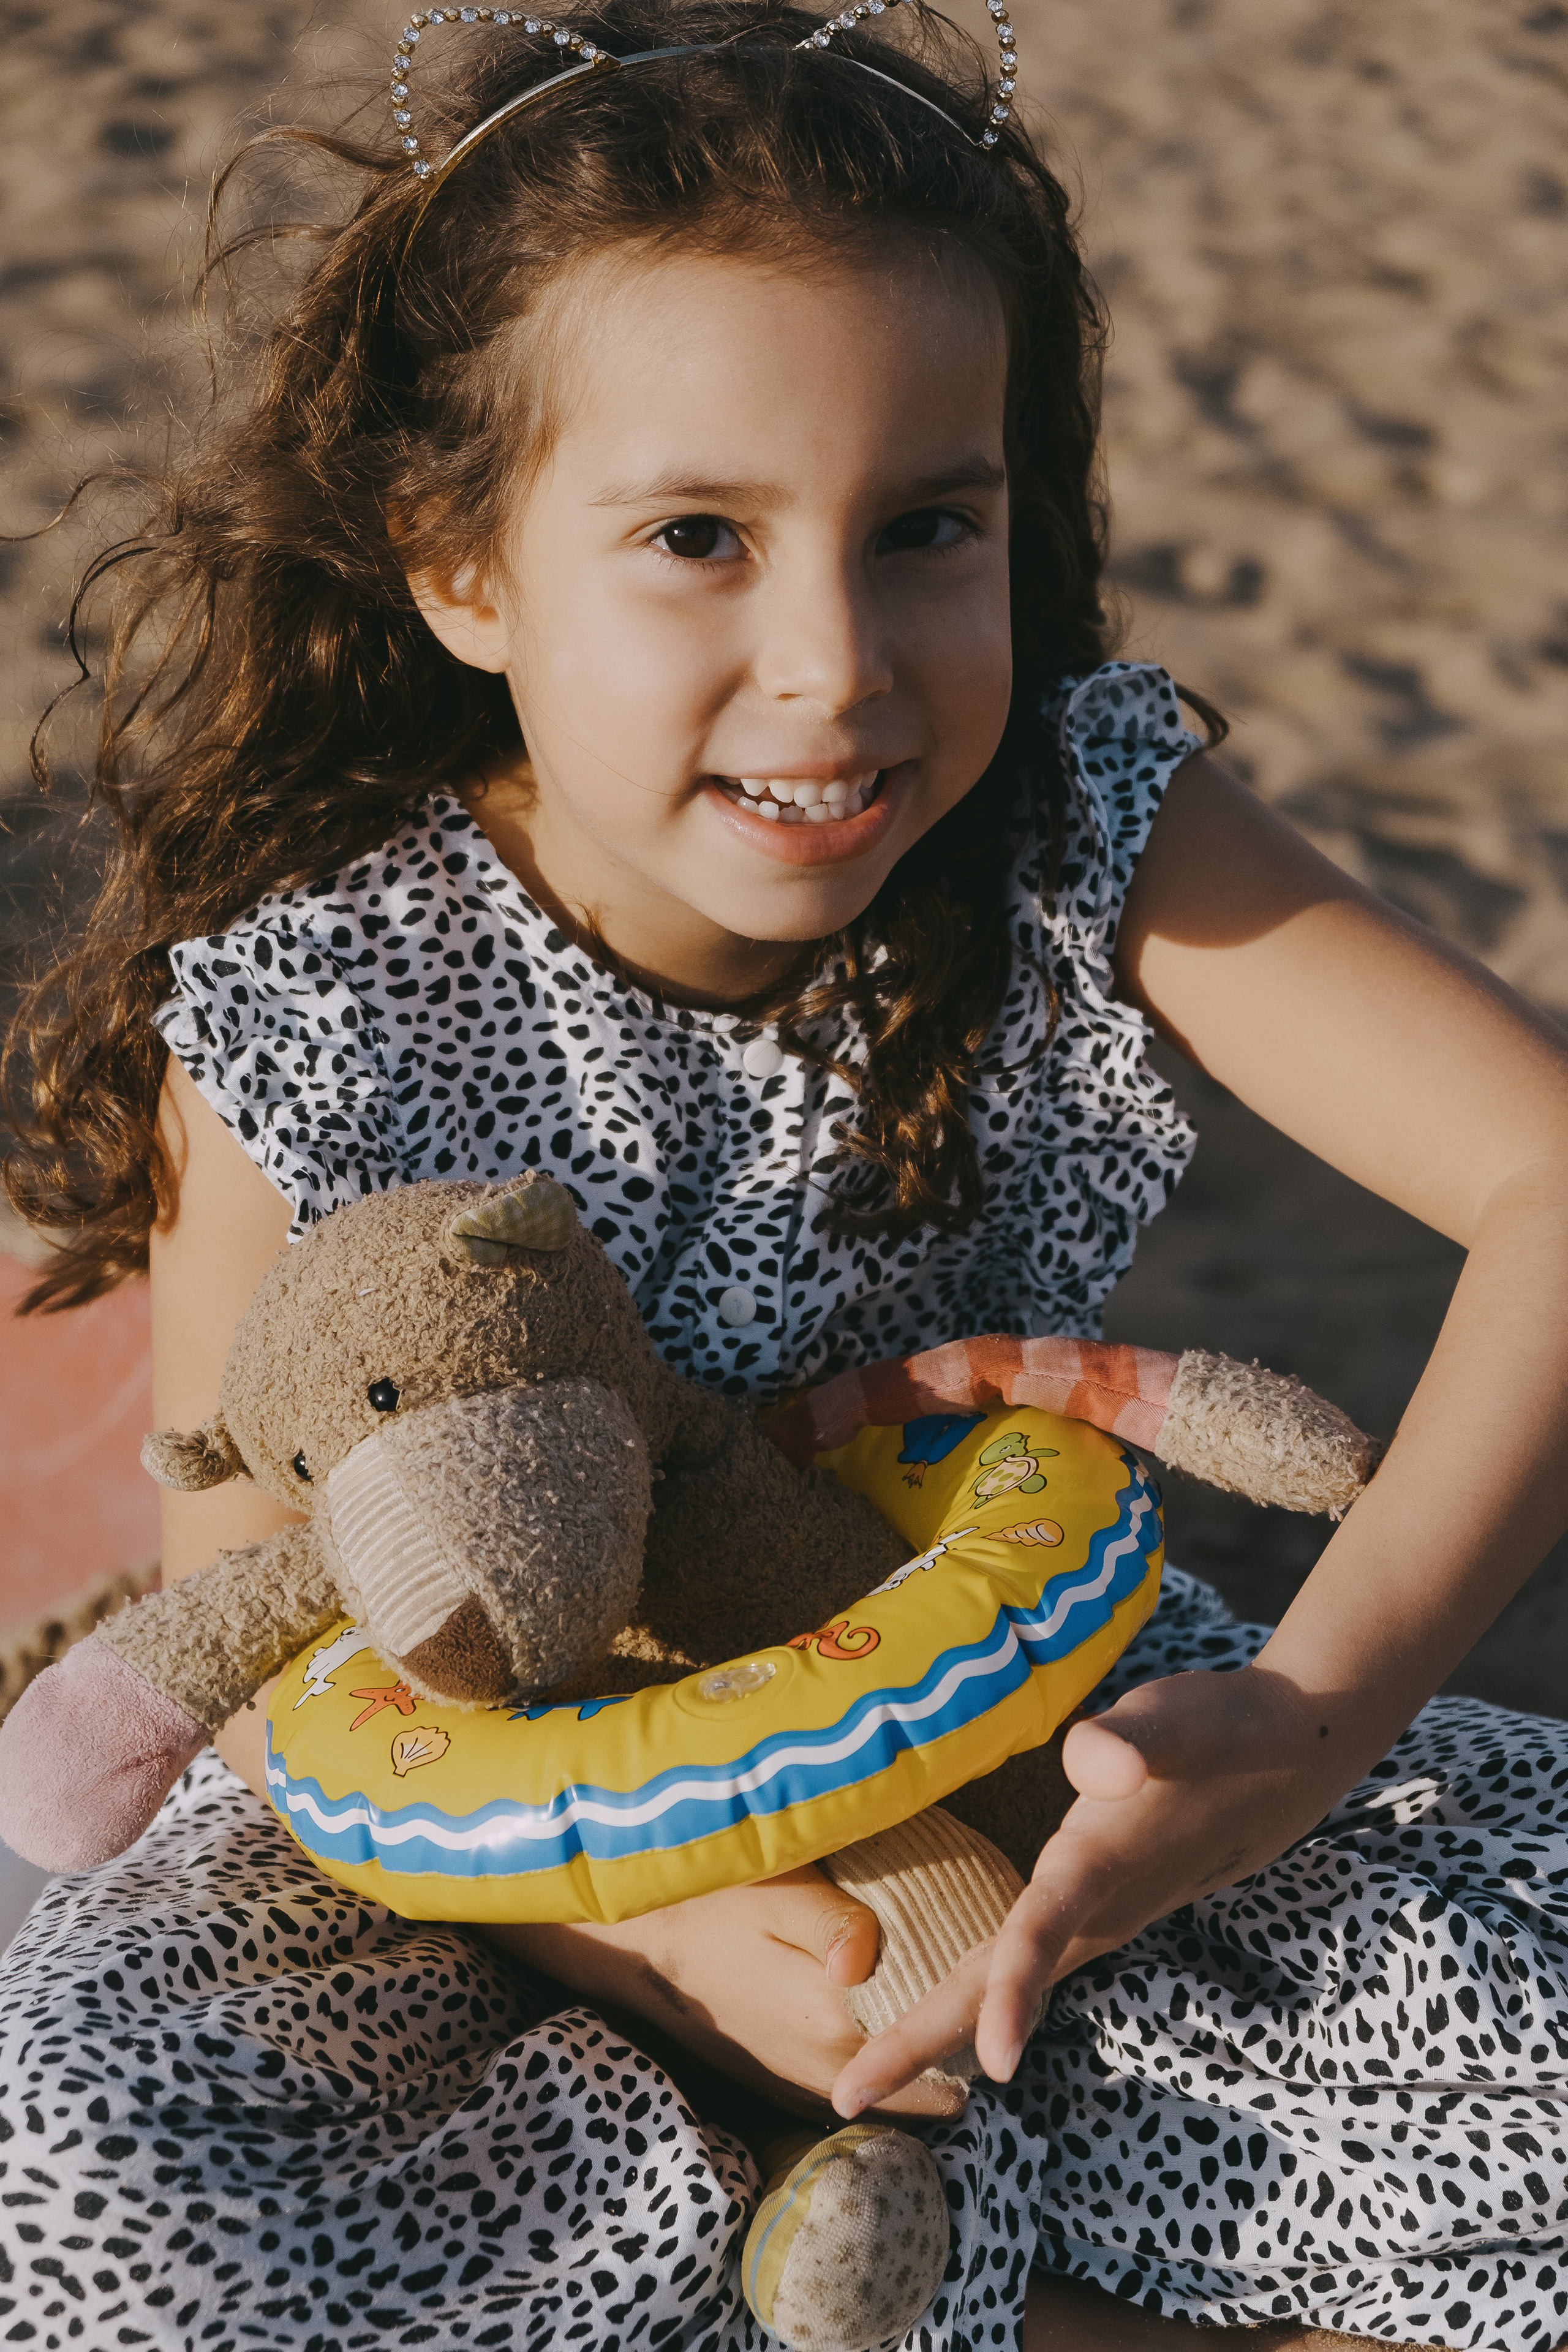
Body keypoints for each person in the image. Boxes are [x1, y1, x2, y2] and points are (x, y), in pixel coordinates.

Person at [2, 4, 1566, 2346]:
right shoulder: (320, 996)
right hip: (473, 1851)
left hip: (1033, 1775)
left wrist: (1306, 1722)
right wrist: (636, 1935)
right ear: (466, 571)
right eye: (696, 539)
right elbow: (259, 1637)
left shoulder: (1077, 823)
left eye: (928, 526)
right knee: (88, 2185)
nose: (835, 665)